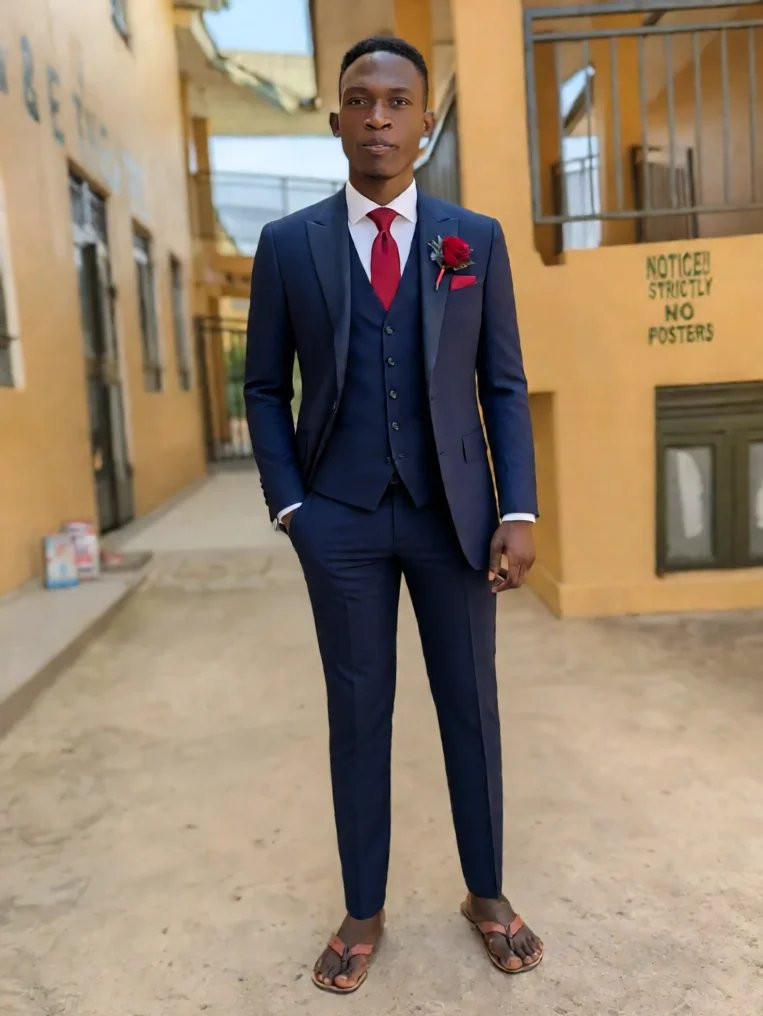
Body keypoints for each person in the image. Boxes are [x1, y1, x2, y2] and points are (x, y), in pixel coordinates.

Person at [244, 36, 543, 994]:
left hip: (453, 517)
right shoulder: (288, 245)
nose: (378, 116)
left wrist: (518, 508)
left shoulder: (474, 239)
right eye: (360, 99)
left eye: (397, 101)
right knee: (357, 714)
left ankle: (485, 892)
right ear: (335, 118)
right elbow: (263, 387)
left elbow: (502, 384)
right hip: (337, 517)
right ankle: (363, 906)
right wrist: (291, 506)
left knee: (470, 710)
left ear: (423, 120)